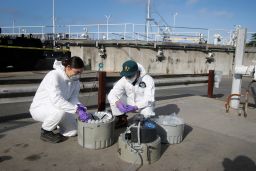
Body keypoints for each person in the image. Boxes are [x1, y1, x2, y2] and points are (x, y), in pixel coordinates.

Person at [29, 56, 89, 143]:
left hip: (59, 108)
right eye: (77, 72)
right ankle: (45, 131)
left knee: (73, 131)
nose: (78, 75)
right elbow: (56, 100)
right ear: (68, 67)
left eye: (81, 72)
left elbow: (73, 97)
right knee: (61, 111)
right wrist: (76, 110)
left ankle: (56, 123)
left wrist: (79, 106)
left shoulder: (75, 81)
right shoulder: (54, 76)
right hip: (40, 108)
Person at [107, 60, 155, 128]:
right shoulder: (124, 79)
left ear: (137, 72)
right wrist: (117, 103)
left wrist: (136, 107)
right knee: (114, 99)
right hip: (131, 102)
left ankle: (144, 121)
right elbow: (112, 94)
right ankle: (122, 119)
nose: (127, 78)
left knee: (146, 117)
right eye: (126, 76)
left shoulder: (148, 80)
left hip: (144, 105)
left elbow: (149, 99)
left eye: (129, 76)